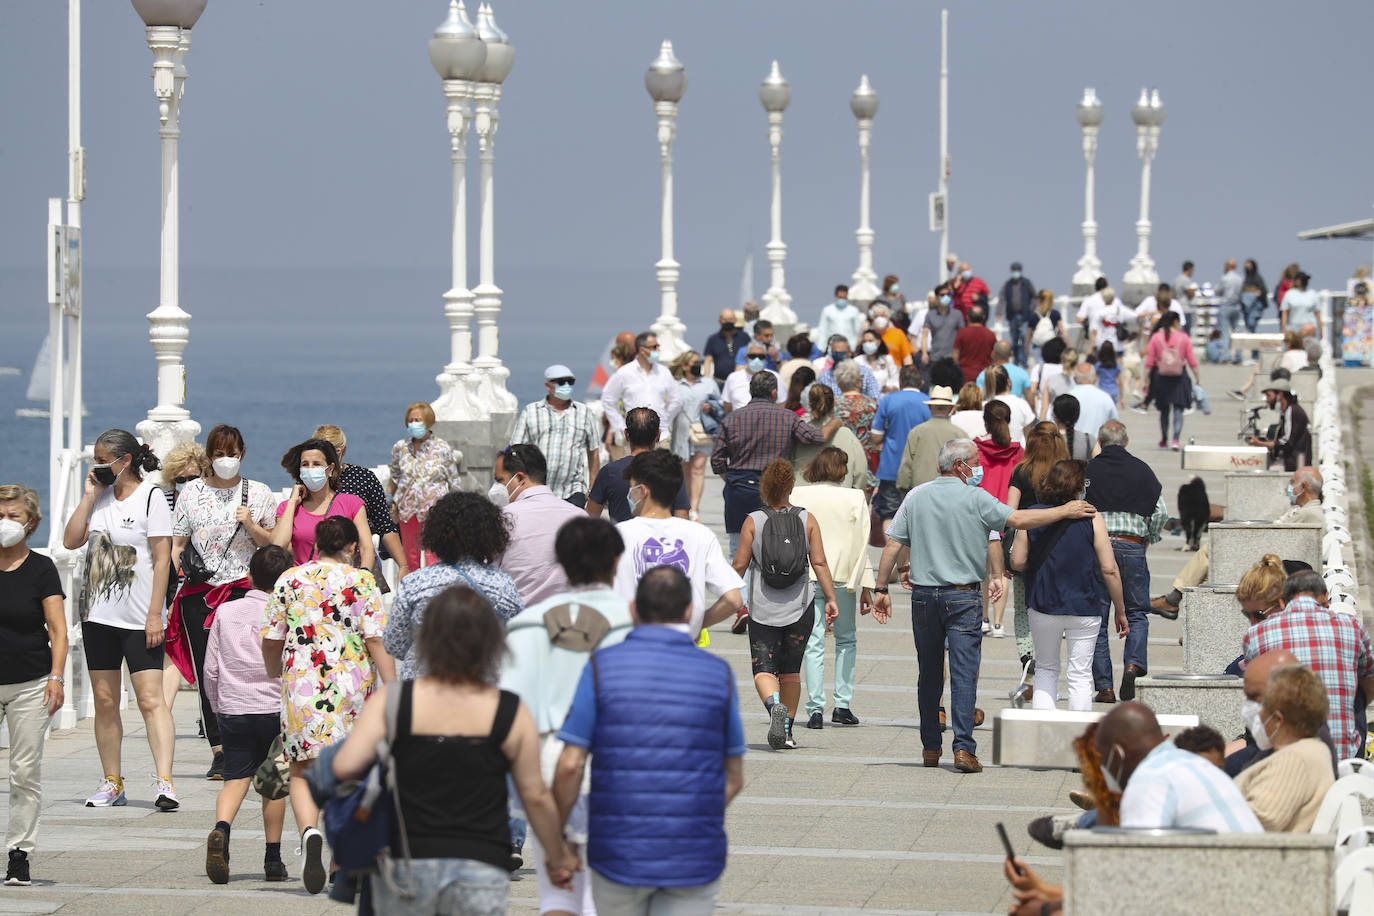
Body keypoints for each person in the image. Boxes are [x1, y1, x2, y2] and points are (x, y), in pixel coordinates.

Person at [334, 586, 579, 914]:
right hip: (480, 865)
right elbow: (534, 795)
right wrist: (556, 854)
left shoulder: (393, 702)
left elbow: (345, 766)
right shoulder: (508, 710)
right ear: (490, 642)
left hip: (406, 860)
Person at [872, 439, 1098, 772]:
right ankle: (963, 749)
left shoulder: (916, 496)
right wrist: (1065, 510)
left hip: (924, 596)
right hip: (963, 596)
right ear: (961, 465)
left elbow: (893, 544)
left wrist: (880, 588)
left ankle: (930, 748)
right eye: (974, 462)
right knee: (964, 674)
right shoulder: (977, 498)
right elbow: (1018, 520)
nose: (979, 467)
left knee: (929, 673)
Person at [554, 566, 745, 916]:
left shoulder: (602, 667)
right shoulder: (718, 675)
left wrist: (561, 841)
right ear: (690, 611)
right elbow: (734, 777)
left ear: (633, 609)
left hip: (618, 852)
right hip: (693, 856)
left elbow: (570, 764)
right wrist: (694, 815)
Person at [501, 517, 633, 916]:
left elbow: (506, 715)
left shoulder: (524, 626)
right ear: (615, 562)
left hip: (545, 770)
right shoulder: (638, 626)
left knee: (558, 895)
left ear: (560, 561)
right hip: (620, 772)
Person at [261, 516, 394, 894]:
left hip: (302, 689)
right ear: (353, 547)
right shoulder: (363, 581)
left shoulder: (290, 579)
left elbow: (272, 638)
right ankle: (338, 863)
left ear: (315, 543)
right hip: (352, 692)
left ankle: (309, 832)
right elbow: (376, 640)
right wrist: (394, 686)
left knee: (302, 769)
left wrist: (275, 670)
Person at [62, 430, 179, 811]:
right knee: (105, 699)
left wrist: (154, 614)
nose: (96, 465)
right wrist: (88, 496)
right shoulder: (99, 499)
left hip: (141, 618)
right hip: (98, 617)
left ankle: (165, 782)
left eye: (101, 458)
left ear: (124, 460)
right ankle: (113, 781)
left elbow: (162, 560)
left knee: (150, 699)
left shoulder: (152, 498)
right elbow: (70, 541)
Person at [169, 423, 278, 780]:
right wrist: (177, 580)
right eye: (219, 454)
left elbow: (272, 544)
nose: (226, 460)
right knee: (207, 670)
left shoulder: (258, 493)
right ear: (209, 457)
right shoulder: (191, 494)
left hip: (245, 590)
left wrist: (250, 524)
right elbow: (178, 545)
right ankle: (219, 748)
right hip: (200, 594)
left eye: (232, 454)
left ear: (242, 454)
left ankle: (262, 737)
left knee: (252, 664)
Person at [731, 459, 840, 750]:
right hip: (800, 606)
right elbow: (819, 562)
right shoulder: (807, 519)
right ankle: (787, 732)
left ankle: (773, 705)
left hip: (763, 608)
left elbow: (740, 565)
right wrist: (830, 598)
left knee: (764, 667)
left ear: (765, 487)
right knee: (791, 670)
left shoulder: (754, 520)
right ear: (791, 487)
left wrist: (728, 596)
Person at [202, 544, 294, 885]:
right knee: (273, 783)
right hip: (274, 709)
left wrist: (217, 705)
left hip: (233, 708)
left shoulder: (226, 612)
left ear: (251, 577)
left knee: (235, 779)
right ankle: (273, 859)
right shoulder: (286, 611)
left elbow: (210, 668)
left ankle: (221, 832)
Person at [711, 371, 836, 618]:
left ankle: (741, 605)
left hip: (739, 488)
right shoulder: (787, 417)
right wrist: (836, 423)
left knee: (739, 548)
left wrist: (733, 478)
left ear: (750, 391)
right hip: (774, 490)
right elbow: (816, 437)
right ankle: (773, 601)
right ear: (774, 393)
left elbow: (716, 460)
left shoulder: (731, 419)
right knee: (776, 543)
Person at [1011, 459, 1127, 711]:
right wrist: (1120, 608)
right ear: (1078, 486)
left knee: (1046, 669)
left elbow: (1017, 562)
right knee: (1080, 675)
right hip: (1085, 605)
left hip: (1043, 603)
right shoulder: (1091, 517)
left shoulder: (1034, 516)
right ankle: (1078, 740)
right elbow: (1109, 568)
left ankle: (1044, 733)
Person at [0, 485, 67, 886]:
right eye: (0, 514)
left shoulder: (42, 568)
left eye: (13, 516)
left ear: (32, 523)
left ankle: (18, 853)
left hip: (31, 683)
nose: (5, 523)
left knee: (24, 771)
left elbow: (58, 631)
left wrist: (57, 679)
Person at [385, 491, 522, 679]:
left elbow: (394, 643)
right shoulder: (502, 584)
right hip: (483, 687)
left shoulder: (414, 583)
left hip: (422, 689)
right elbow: (516, 638)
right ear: (491, 533)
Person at [1153, 468, 1325, 617]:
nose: (1289, 486)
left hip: (1275, 563)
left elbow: (1288, 543)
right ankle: (1189, 615)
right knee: (1210, 569)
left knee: (1212, 551)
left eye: (1292, 482)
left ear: (1303, 487)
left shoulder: (1312, 515)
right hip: (1270, 556)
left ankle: (1174, 600)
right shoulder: (1303, 511)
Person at [1243, 570, 1374, 761]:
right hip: (1343, 756)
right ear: (1325, 597)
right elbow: (1369, 680)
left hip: (1282, 757)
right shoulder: (1352, 627)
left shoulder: (1256, 634)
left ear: (1282, 602)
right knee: (1358, 691)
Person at [614, 450, 744, 640]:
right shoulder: (701, 535)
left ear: (643, 491)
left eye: (632, 488)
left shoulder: (617, 535)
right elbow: (733, 600)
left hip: (631, 648)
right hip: (682, 648)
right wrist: (697, 625)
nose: (629, 495)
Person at [1084, 422, 1168, 703]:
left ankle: (1104, 686)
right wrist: (1148, 538)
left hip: (1098, 547)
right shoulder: (1142, 470)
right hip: (1132, 546)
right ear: (1127, 440)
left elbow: (1077, 505)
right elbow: (1161, 511)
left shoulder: (1089, 471)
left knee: (1096, 618)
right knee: (1137, 612)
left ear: (1100, 441)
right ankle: (1132, 664)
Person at [792, 448, 874, 731]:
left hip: (806, 575)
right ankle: (842, 704)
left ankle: (815, 708)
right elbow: (862, 543)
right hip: (842, 576)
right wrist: (866, 584)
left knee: (813, 642)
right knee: (846, 639)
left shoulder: (798, 494)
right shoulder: (854, 497)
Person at [1095, 702, 1262, 832]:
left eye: (1102, 760)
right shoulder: (1200, 766)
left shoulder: (1150, 777)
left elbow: (1140, 857)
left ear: (1117, 755)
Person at [1234, 665, 1335, 832]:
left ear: (1278, 720)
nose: (1258, 715)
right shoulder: (1310, 750)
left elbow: (1260, 821)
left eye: (1263, 707)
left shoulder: (1294, 760)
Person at [1005, 423, 1072, 677]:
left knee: (1023, 604)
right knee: (1052, 603)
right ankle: (1048, 654)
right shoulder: (1065, 471)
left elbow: (1010, 511)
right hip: (1059, 546)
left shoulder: (1021, 471)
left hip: (1026, 543)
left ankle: (1026, 653)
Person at [312, 424, 408, 587]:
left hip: (361, 561)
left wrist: (403, 565)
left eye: (331, 452)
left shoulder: (364, 478)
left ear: (343, 451)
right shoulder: (310, 481)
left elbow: (385, 525)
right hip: (318, 564)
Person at [494, 444, 586, 607]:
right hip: (572, 620)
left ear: (520, 478)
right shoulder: (580, 517)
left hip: (520, 622)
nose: (496, 488)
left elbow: (488, 577)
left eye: (501, 480)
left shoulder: (502, 519)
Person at [274, 438, 374, 569]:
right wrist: (293, 502)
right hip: (304, 584)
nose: (310, 469)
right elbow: (278, 546)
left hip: (342, 584)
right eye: (305, 464)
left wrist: (362, 579)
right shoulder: (287, 508)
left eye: (316, 464)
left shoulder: (352, 503)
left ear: (330, 469)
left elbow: (366, 548)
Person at [511, 364, 602, 507]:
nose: (566, 385)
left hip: (573, 490)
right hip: (537, 489)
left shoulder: (584, 413)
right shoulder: (530, 412)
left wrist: (593, 488)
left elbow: (594, 451)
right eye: (561, 382)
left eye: (569, 382)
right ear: (548, 385)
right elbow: (515, 450)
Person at [389, 402, 461, 571]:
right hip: (408, 509)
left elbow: (454, 480)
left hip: (435, 509)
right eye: (411, 420)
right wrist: (388, 499)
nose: (414, 424)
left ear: (428, 422)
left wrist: (456, 510)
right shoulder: (400, 447)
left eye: (418, 420)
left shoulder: (442, 448)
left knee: (434, 554)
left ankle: (434, 591)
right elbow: (394, 476)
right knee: (410, 556)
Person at [587, 407, 690, 522]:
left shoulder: (609, 472)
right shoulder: (672, 471)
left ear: (626, 435)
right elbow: (683, 517)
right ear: (659, 435)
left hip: (622, 538)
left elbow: (590, 518)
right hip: (661, 539)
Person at [976, 401, 1023, 638]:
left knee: (983, 572)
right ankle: (998, 623)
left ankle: (982, 618)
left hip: (981, 514)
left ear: (985, 421)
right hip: (1007, 515)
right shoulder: (1017, 451)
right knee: (1002, 572)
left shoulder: (977, 447)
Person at [869, 365, 931, 522]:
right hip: (921, 469)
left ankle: (892, 547)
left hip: (892, 467)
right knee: (918, 518)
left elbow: (876, 436)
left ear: (900, 381)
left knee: (890, 515)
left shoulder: (888, 400)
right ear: (921, 382)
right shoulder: (930, 403)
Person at [600, 331, 681, 450]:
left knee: (662, 469)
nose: (658, 349)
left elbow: (676, 400)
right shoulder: (625, 372)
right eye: (654, 347)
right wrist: (620, 426)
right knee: (634, 469)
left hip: (661, 438)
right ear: (642, 350)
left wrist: (664, 422)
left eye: (658, 346)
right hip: (634, 439)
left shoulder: (664, 372)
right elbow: (608, 398)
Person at [670, 351, 721, 520]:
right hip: (682, 432)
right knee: (684, 469)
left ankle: (695, 508)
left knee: (698, 468)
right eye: (694, 362)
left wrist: (711, 406)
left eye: (699, 361)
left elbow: (719, 404)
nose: (698, 364)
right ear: (685, 366)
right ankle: (685, 505)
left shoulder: (709, 383)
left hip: (702, 431)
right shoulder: (676, 385)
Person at [791, 384, 868, 491]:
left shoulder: (801, 433)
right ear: (833, 404)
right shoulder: (846, 434)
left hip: (801, 498)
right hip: (839, 497)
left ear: (810, 403)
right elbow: (861, 472)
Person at [1144, 310, 1200, 450]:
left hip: (1161, 377)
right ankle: (1175, 440)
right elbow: (1192, 360)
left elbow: (1149, 361)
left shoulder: (1156, 337)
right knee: (1178, 409)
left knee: (1164, 411)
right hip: (1179, 377)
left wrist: (1145, 380)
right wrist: (1198, 378)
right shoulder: (1184, 337)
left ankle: (1164, 439)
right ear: (1176, 322)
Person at [895, 385, 963, 492]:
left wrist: (904, 490)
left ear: (930, 407)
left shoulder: (916, 432)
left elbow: (906, 467)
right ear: (951, 408)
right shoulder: (960, 434)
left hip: (921, 491)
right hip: (952, 492)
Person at [1246, 378, 1311, 471]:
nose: (1267, 400)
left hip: (1296, 464)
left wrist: (1259, 443)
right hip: (1291, 460)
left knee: (1266, 472)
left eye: (1269, 396)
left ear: (1280, 394)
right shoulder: (1287, 411)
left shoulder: (1292, 411)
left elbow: (1287, 442)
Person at [833, 361, 879, 475]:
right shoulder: (872, 405)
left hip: (837, 460)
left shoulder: (831, 405)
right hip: (867, 461)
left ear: (839, 383)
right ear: (858, 382)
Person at [722, 339, 783, 411]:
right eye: (752, 356)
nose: (756, 359)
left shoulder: (775, 377)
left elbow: (781, 403)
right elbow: (727, 405)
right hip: (739, 420)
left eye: (761, 356)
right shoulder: (733, 378)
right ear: (746, 357)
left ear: (765, 358)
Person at [815, 335, 881, 401]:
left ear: (849, 353)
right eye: (835, 353)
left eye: (841, 353)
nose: (838, 356)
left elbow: (875, 397)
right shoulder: (824, 377)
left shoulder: (864, 373)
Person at [985, 365, 1037, 446]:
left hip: (992, 454)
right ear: (1009, 382)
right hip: (1018, 453)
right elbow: (1029, 434)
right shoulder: (1021, 404)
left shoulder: (985, 406)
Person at [1066, 363, 1119, 442]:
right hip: (1098, 447)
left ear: (1074, 379)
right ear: (1095, 378)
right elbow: (1114, 423)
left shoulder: (1066, 398)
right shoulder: (1105, 398)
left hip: (1071, 446)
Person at [999, 262, 1037, 366]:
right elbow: (1002, 298)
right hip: (1012, 316)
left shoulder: (1026, 283)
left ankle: (1024, 360)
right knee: (1015, 338)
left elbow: (1034, 297)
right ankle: (1016, 360)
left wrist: (1031, 309)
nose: (1016, 273)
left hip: (1025, 316)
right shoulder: (1007, 284)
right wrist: (999, 312)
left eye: (1017, 270)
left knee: (1024, 338)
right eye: (1014, 270)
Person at [702, 308, 750, 384]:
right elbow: (708, 360)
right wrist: (706, 380)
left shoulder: (744, 337)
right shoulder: (713, 339)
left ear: (735, 320)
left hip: (740, 382)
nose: (728, 322)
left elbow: (750, 357)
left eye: (730, 319)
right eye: (725, 319)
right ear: (720, 321)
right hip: (719, 382)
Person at [920, 286, 965, 365]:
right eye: (943, 295)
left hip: (953, 359)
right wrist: (924, 353)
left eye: (948, 294)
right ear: (937, 297)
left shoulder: (957, 314)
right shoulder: (930, 315)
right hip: (935, 358)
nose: (946, 297)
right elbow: (924, 335)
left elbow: (963, 335)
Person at [953, 306, 997, 384]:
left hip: (965, 376)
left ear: (967, 317)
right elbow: (995, 355)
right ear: (984, 317)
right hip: (985, 376)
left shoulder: (962, 333)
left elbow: (955, 355)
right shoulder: (990, 334)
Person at [815, 284, 864, 352]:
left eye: (844, 297)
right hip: (831, 346)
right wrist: (820, 348)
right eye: (840, 297)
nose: (841, 299)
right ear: (835, 296)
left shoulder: (853, 310)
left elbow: (858, 330)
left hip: (849, 347)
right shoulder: (827, 310)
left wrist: (856, 347)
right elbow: (823, 330)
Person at [1028, 337, 1067, 418]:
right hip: (1063, 411)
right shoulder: (1065, 369)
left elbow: (1032, 391)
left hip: (1043, 411)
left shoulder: (1039, 368)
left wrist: (1033, 409)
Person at [1215, 258, 1245, 362]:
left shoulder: (1225, 278)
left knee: (1225, 332)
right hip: (1236, 307)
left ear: (1227, 266)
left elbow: (1218, 291)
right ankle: (1239, 355)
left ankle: (1226, 356)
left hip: (1226, 306)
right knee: (1237, 331)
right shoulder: (1240, 279)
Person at [1241, 259, 1271, 364]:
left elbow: (1263, 290)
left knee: (1252, 328)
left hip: (1254, 309)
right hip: (1247, 309)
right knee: (1250, 330)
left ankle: (1255, 355)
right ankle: (1254, 355)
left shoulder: (1257, 278)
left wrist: (1257, 294)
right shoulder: (1246, 278)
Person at [1027, 289, 1068, 364]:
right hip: (1052, 346)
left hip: (1038, 346)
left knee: (1040, 368)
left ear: (1039, 300)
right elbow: (1062, 331)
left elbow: (1029, 334)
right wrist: (1069, 345)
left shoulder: (1033, 316)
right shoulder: (1055, 314)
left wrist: (1026, 347)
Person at [1039, 347, 1079, 420]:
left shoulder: (1051, 380)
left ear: (1061, 360)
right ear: (1076, 362)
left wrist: (1040, 428)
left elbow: (1044, 408)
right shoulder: (1079, 382)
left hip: (1056, 421)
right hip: (1074, 422)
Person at [869, 302, 913, 367]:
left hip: (896, 372)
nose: (879, 319)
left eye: (882, 316)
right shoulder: (869, 335)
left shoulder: (898, 333)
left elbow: (907, 357)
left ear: (888, 317)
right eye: (876, 316)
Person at [1052, 394, 1094, 461]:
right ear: (1077, 415)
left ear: (1055, 415)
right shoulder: (1089, 440)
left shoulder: (1045, 440)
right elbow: (1100, 466)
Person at [1280, 271, 1321, 338]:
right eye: (1302, 279)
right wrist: (1284, 328)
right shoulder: (1290, 294)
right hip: (1293, 329)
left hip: (1309, 329)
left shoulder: (1313, 294)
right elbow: (1285, 312)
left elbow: (1318, 313)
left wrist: (1321, 329)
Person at [858, 327, 900, 392]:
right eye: (864, 341)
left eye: (870, 341)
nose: (867, 344)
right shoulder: (858, 361)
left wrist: (890, 388)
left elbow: (895, 379)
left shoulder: (887, 359)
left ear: (878, 342)